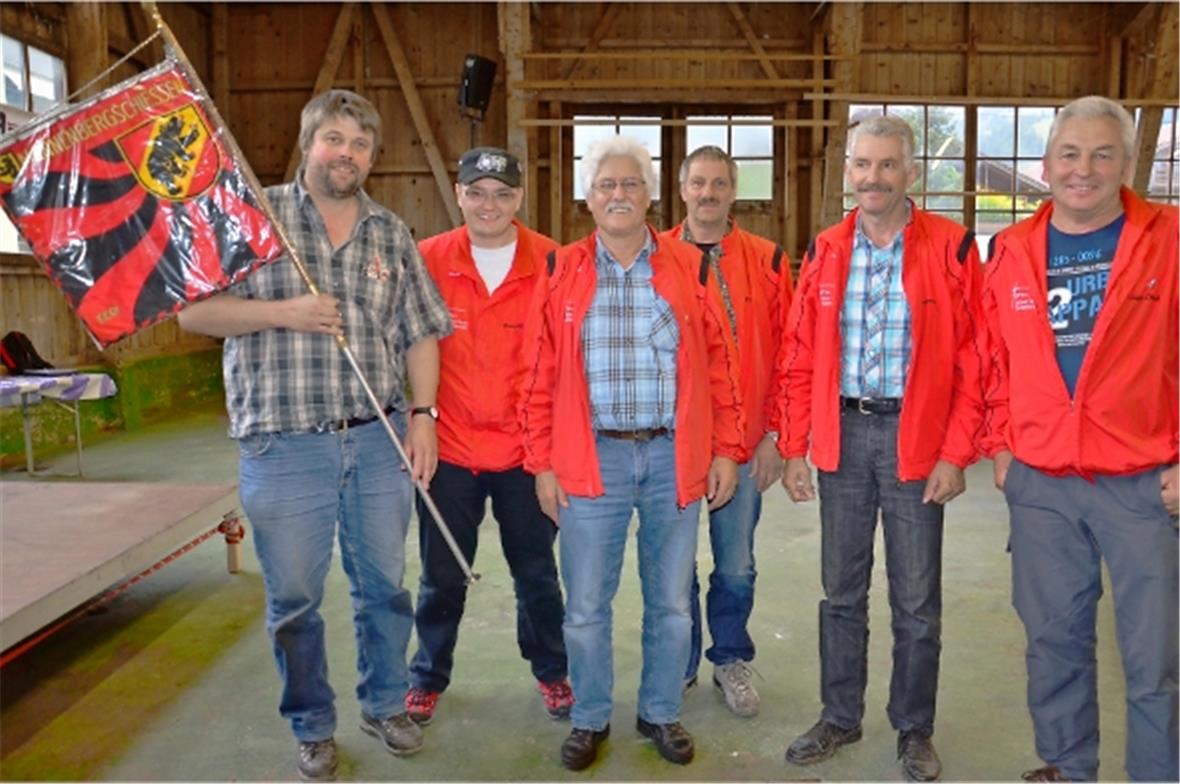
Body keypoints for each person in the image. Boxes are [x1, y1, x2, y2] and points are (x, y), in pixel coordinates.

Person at [177, 89, 452, 782]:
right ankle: (312, 723)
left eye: (360, 145)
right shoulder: (250, 218)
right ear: (308, 144)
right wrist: (285, 312)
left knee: (384, 587)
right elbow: (194, 316)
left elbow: (421, 333)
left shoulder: (390, 232)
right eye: (334, 139)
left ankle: (385, 703)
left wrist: (423, 417)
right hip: (284, 445)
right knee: (295, 597)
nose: (347, 154)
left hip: (376, 438)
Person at [519, 136, 745, 771]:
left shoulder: (685, 267)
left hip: (674, 457)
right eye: (606, 185)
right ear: (587, 198)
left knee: (672, 602)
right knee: (587, 605)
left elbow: (721, 365)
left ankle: (660, 711)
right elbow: (536, 373)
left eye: (630, 185)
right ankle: (590, 717)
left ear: (649, 195)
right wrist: (542, 461)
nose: (618, 195)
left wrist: (726, 449)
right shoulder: (562, 272)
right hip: (591, 460)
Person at [774, 114, 985, 782]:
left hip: (915, 439)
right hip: (844, 435)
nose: (873, 177)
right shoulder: (829, 248)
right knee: (841, 591)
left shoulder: (951, 248)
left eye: (887, 165)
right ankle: (840, 715)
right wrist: (794, 444)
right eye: (862, 165)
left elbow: (977, 359)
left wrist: (956, 452)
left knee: (916, 599)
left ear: (910, 172)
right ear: (849, 173)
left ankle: (913, 727)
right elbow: (802, 351)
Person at [979, 95, 1178, 783]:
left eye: (1101, 154)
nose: (1083, 169)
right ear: (1047, 163)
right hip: (1041, 485)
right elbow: (991, 359)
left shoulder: (1169, 240)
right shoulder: (1011, 250)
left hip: (1142, 483)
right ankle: (1068, 767)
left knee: (1154, 656)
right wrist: (1002, 447)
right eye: (1070, 153)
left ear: (1127, 163)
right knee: (1052, 640)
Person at [404, 147, 572, 726]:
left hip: (526, 454)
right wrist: (415, 415)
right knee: (441, 576)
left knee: (537, 576)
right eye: (477, 192)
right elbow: (404, 342)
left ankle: (553, 671)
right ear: (459, 194)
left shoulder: (552, 261)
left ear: (518, 198)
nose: (489, 205)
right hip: (448, 451)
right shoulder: (427, 260)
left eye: (502, 194)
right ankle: (427, 675)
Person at [659, 145, 793, 717]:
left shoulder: (766, 260)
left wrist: (775, 437)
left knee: (735, 562)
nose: (707, 193)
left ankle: (730, 658)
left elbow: (792, 354)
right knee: (676, 564)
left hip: (744, 448)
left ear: (733, 191)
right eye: (698, 183)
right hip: (676, 448)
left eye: (718, 183)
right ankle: (680, 662)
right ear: (682, 190)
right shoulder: (655, 257)